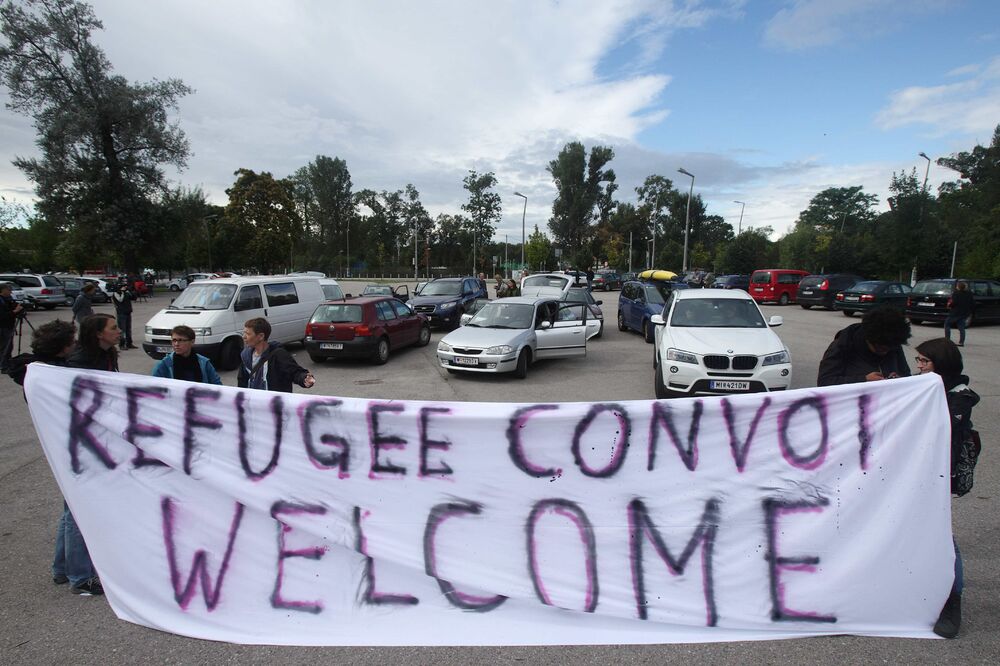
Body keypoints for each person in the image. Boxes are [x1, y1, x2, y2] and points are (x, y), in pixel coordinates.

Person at [8, 319, 104, 596]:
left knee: (68, 510)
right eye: (71, 342)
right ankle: (80, 576)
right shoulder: (52, 375)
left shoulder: (38, 372)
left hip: (62, 445)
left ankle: (61, 568)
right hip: (71, 447)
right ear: (62, 347)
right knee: (77, 511)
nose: (74, 345)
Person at [914, 338, 979, 639]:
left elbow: (944, 432)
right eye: (918, 361)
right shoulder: (919, 386)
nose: (919, 367)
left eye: (925, 362)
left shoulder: (959, 398)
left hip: (938, 479)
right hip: (912, 477)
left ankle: (952, 600)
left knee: (942, 536)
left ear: (942, 364)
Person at [817, 306, 912, 386]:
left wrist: (899, 380)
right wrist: (863, 379)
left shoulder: (893, 344)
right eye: (881, 349)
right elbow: (824, 382)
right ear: (868, 340)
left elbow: (906, 375)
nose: (885, 352)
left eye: (889, 349)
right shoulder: (843, 345)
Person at [237, 317, 315, 393]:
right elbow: (242, 381)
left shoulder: (278, 354)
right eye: (244, 333)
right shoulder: (245, 356)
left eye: (247, 334)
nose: (243, 337)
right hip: (254, 403)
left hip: (275, 404)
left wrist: (304, 378)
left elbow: (295, 372)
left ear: (261, 336)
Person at [152, 325, 222, 384]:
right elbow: (154, 388)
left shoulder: (204, 363)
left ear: (192, 342)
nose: (176, 344)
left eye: (180, 340)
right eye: (174, 340)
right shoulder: (164, 364)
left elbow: (217, 385)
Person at [0, 283, 24, 374]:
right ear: (3, 290)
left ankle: (7, 363)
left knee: (8, 346)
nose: (10, 291)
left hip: (8, 326)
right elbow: (2, 316)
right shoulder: (1, 301)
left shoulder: (8, 299)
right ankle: (4, 366)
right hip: (3, 327)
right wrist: (15, 311)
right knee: (5, 347)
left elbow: (14, 309)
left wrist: (19, 310)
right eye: (8, 289)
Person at [944, 281, 973, 347]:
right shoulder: (969, 294)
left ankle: (947, 340)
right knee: (961, 327)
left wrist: (949, 305)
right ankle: (961, 342)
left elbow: (954, 302)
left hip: (955, 312)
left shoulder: (956, 293)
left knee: (947, 324)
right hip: (964, 313)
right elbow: (972, 304)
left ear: (958, 287)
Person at [112, 283, 136, 350]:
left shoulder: (126, 293)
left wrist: (131, 292)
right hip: (121, 313)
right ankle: (121, 344)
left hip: (128, 312)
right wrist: (123, 292)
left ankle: (129, 343)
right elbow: (120, 300)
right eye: (124, 286)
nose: (125, 287)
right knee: (122, 330)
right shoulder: (116, 293)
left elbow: (133, 298)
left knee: (128, 329)